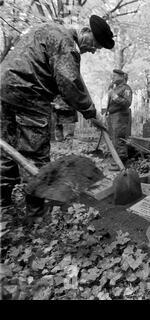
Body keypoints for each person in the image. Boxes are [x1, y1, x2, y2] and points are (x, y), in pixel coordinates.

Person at [0, 15, 114, 219]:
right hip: (29, 94)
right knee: (35, 152)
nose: (94, 50)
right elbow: (69, 84)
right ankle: (36, 213)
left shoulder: (46, 28)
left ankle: (3, 204)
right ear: (85, 31)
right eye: (95, 44)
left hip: (4, 89)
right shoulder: (66, 44)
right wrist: (91, 113)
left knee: (7, 147)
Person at [105, 69, 133, 170]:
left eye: (115, 76)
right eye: (112, 76)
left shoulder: (126, 88)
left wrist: (114, 96)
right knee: (114, 138)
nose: (112, 78)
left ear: (122, 77)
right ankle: (117, 161)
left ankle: (122, 163)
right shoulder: (115, 88)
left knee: (119, 138)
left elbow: (127, 103)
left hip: (120, 116)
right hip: (113, 115)